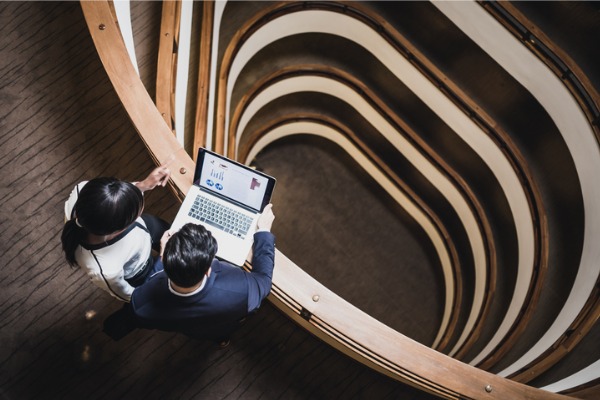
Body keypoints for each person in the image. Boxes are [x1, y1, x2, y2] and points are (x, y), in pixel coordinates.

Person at [130, 204, 276, 344]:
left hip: (193, 331)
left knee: (204, 333)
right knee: (221, 332)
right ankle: (222, 340)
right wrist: (263, 231)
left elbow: (151, 282)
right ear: (208, 270)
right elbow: (263, 281)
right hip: (222, 324)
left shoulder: (141, 304)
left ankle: (220, 341)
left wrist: (163, 256)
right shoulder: (240, 291)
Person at [61, 165, 171, 302]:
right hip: (140, 269)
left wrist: (143, 185)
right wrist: (162, 258)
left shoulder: (82, 189)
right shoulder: (106, 270)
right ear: (118, 230)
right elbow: (133, 296)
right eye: (136, 214)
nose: (141, 207)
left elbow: (111, 200)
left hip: (145, 230)